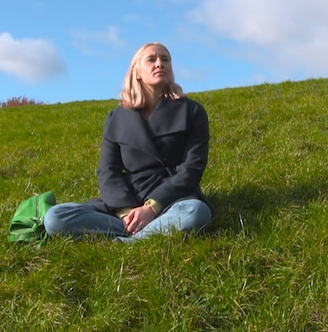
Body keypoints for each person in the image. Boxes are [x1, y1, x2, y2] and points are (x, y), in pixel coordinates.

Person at [44, 42, 213, 242]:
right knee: (55, 217)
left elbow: (192, 169)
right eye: (151, 59)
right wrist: (126, 212)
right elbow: (108, 170)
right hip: (127, 201)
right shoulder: (117, 117)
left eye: (165, 59)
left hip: (171, 200)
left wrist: (151, 208)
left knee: (196, 212)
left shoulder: (192, 111)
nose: (160, 64)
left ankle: (127, 240)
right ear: (137, 72)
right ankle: (137, 231)